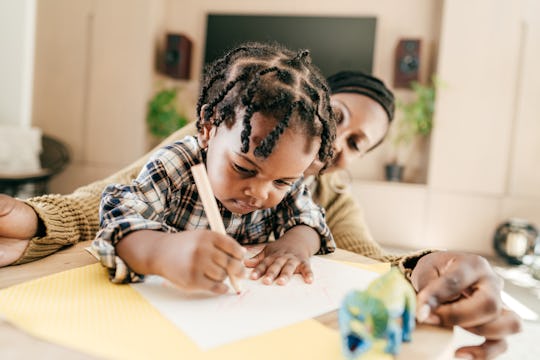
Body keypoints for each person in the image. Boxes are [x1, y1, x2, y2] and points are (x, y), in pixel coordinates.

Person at [0, 65, 520, 358]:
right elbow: (114, 199)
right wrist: (35, 219)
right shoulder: (229, 141)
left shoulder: (314, 188)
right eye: (336, 118)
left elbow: (368, 258)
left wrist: (423, 265)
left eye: (358, 143)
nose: (339, 143)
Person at [93, 42, 337, 291]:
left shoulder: (286, 177)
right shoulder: (175, 164)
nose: (260, 193)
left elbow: (309, 219)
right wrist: (161, 252)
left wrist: (296, 244)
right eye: (245, 169)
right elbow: (119, 223)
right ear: (209, 128)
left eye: (281, 182)